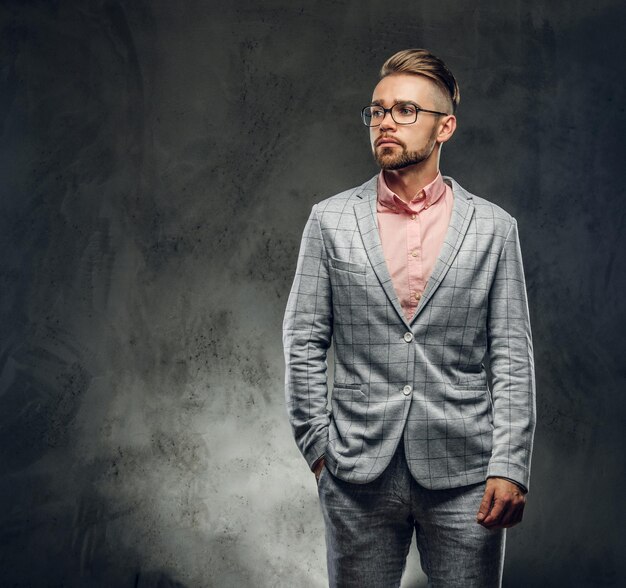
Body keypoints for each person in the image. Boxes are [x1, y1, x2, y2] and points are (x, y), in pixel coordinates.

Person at [282, 48, 536, 588]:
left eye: (404, 111)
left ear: (445, 127)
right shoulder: (329, 221)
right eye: (377, 111)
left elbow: (512, 353)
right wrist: (317, 447)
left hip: (467, 475)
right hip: (355, 473)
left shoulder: (494, 228)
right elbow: (303, 339)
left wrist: (509, 464)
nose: (385, 123)